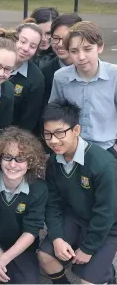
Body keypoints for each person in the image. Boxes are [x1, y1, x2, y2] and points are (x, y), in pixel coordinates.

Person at [38, 99, 117, 284]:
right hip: (74, 218)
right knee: (45, 257)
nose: (53, 141)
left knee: (86, 282)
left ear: (76, 130)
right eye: (48, 134)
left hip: (108, 228)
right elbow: (53, 204)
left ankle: (107, 276)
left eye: (59, 133)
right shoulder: (53, 162)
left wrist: (88, 248)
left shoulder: (103, 165)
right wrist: (57, 237)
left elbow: (106, 213)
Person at [0, 127, 48, 283]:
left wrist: (3, 260)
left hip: (21, 249)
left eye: (20, 159)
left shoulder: (39, 189)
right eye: (8, 157)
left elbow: (32, 231)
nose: (13, 164)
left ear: (30, 162)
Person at [48, 21, 117, 157]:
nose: (81, 57)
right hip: (70, 149)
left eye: (87, 49)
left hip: (106, 148)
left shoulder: (114, 75)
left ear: (100, 47)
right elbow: (54, 113)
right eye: (74, 51)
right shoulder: (60, 78)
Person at [9, 22, 45, 133]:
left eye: (33, 46)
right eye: (23, 41)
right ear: (14, 39)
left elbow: (29, 121)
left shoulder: (36, 79)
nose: (26, 48)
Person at [41, 13, 82, 107]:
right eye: (55, 38)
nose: (60, 44)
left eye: (66, 39)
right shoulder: (46, 73)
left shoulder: (92, 67)